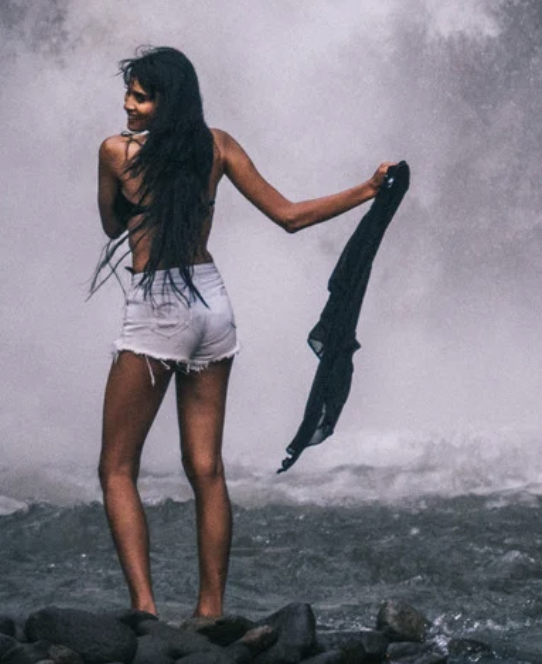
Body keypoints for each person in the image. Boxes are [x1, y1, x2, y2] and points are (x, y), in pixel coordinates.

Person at [94, 45, 392, 619]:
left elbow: (111, 225)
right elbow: (290, 217)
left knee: (116, 467)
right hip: (212, 302)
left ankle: (146, 611)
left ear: (165, 101)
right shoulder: (218, 145)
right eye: (129, 93)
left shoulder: (116, 152)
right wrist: (366, 188)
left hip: (159, 302)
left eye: (140, 95)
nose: (127, 105)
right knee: (206, 469)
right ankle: (210, 612)